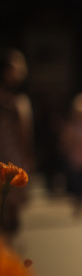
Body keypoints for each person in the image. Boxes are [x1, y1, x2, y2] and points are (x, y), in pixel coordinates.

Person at [0, 48, 33, 240]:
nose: (21, 70)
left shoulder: (19, 102)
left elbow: (25, 136)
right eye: (15, 67)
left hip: (13, 161)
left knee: (10, 207)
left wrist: (26, 160)